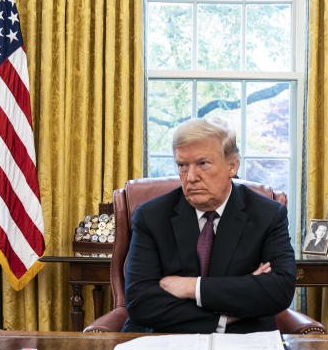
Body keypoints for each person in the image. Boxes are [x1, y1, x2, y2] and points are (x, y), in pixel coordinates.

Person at [123, 117, 296, 333]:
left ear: (232, 166)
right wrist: (228, 313)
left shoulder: (267, 215)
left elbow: (279, 291)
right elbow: (140, 303)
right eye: (182, 165)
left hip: (244, 340)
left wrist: (192, 287)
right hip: (164, 338)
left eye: (202, 164)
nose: (191, 177)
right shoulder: (152, 216)